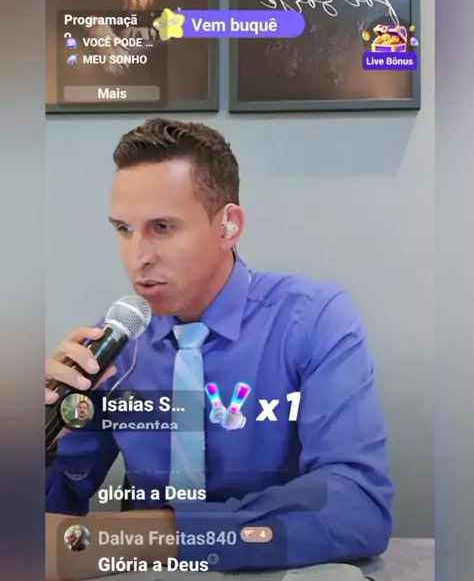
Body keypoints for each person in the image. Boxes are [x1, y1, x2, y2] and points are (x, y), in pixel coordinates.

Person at [45, 118, 394, 579]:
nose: (138, 256)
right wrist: (39, 440)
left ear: (229, 226)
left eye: (162, 227)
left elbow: (357, 505)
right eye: (124, 229)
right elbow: (49, 518)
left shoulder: (314, 320)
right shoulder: (114, 346)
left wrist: (147, 537)